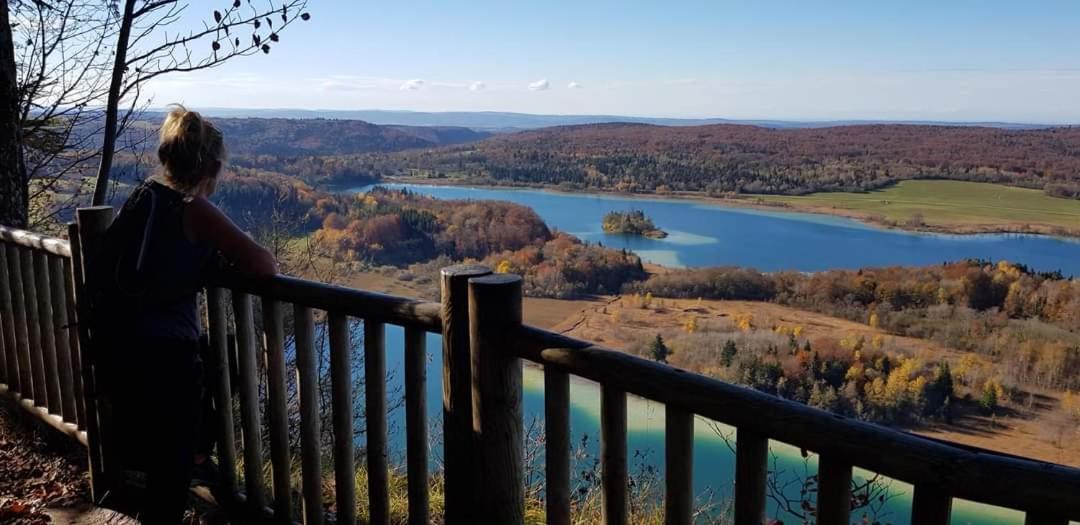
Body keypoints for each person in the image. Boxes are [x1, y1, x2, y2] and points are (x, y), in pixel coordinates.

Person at [91, 105, 276, 523]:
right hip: (168, 360)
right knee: (169, 482)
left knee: (159, 471)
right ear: (210, 165)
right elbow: (264, 265)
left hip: (123, 348)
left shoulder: (145, 197)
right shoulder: (193, 208)